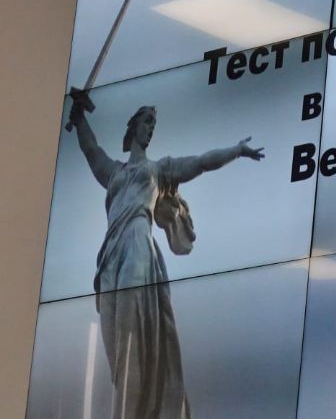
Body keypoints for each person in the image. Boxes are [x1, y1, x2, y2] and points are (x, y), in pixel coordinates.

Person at [68, 96, 263, 419]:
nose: (151, 129)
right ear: (133, 126)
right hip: (110, 254)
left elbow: (200, 163)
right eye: (147, 122)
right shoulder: (113, 172)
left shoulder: (158, 170)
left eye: (154, 125)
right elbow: (91, 149)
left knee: (131, 339)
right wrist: (78, 117)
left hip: (137, 244)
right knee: (116, 349)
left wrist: (236, 151)